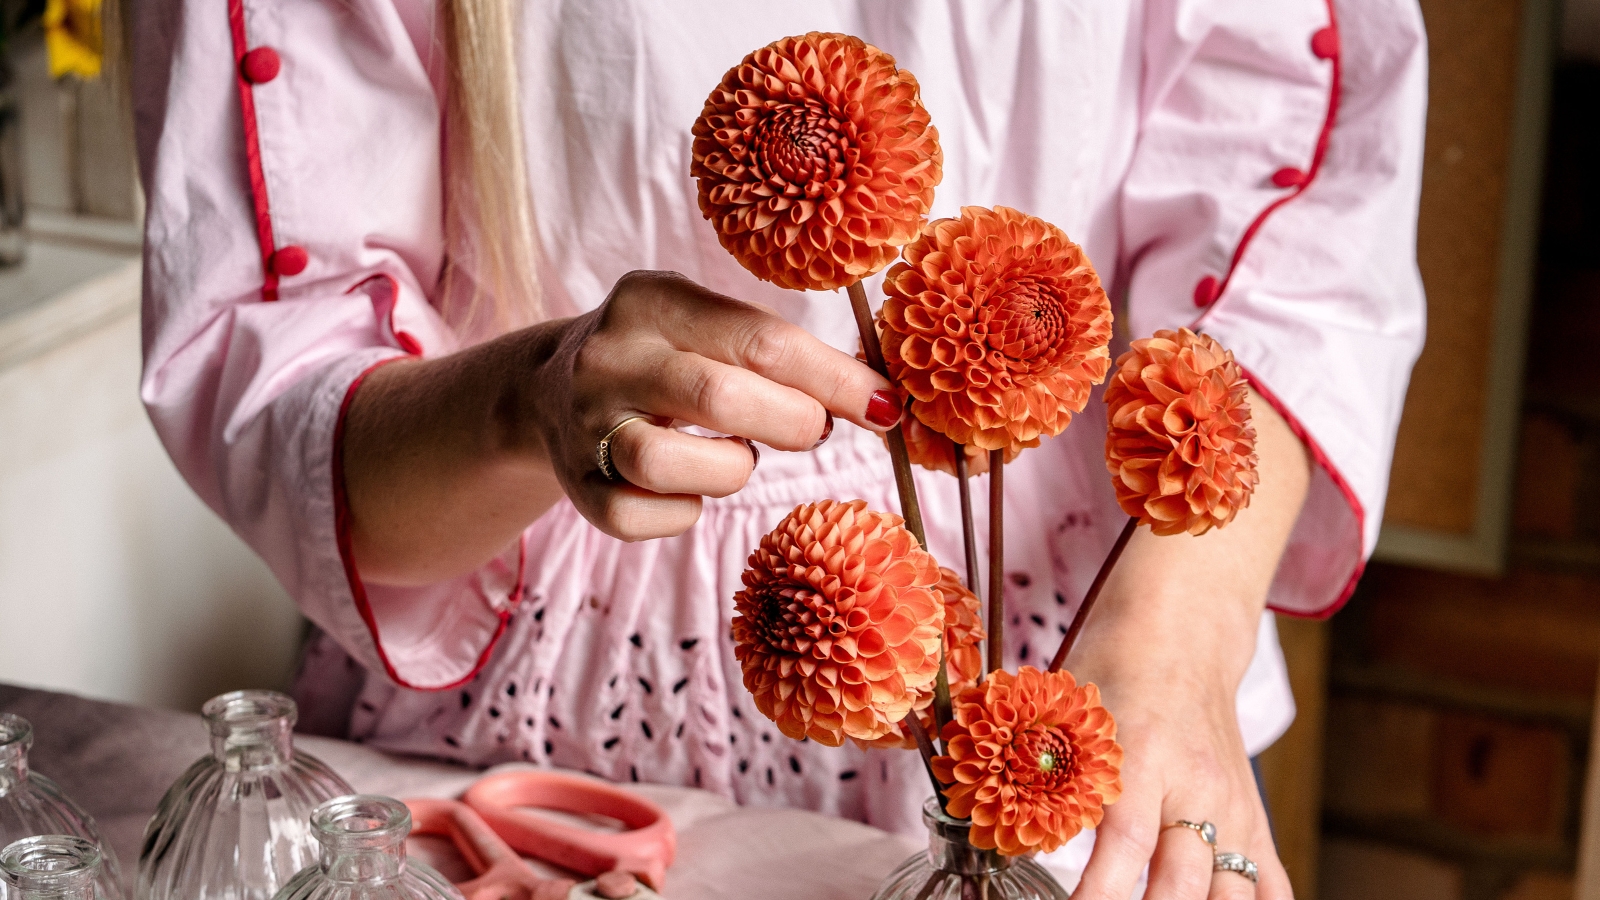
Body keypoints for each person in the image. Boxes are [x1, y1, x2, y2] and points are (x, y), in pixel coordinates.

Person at [131, 1, 1427, 897]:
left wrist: (1172, 643)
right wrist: (529, 398)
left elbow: (1298, 240)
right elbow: (279, 365)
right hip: (549, 712)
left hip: (1106, 667)